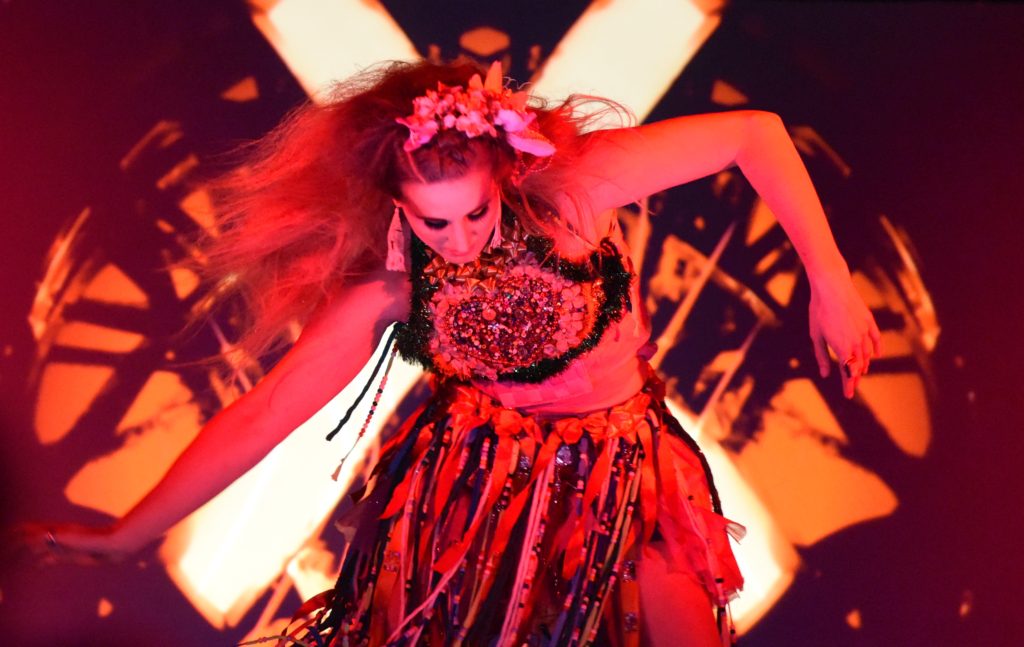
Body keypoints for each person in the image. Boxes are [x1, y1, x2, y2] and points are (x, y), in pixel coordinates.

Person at [15, 59, 881, 647]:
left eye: (477, 210)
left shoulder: (573, 195)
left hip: (628, 468)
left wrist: (832, 284)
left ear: (502, 173)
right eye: (436, 220)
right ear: (396, 203)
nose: (462, 237)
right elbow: (268, 411)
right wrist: (128, 534)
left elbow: (753, 134)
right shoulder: (390, 291)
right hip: (477, 491)